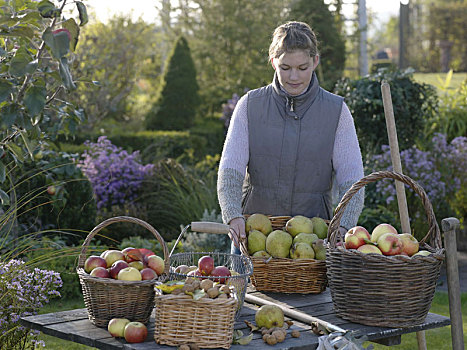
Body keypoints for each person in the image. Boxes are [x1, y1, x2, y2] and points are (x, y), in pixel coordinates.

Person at [217, 21, 364, 254]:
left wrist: (344, 226)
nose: (293, 76)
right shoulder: (249, 106)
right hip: (253, 240)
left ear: (315, 61)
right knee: (246, 292)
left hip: (314, 244)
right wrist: (233, 215)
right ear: (273, 61)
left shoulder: (336, 112)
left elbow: (353, 180)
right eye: (285, 67)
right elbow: (230, 171)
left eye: (302, 67)